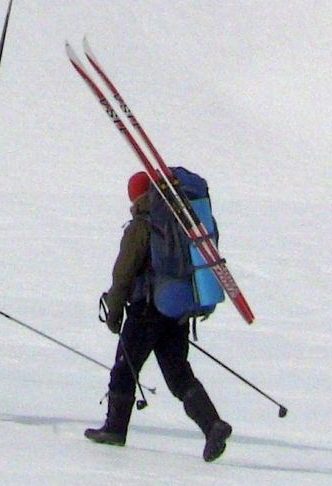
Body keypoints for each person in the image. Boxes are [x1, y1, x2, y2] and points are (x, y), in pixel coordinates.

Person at [86, 171, 231, 461]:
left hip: (146, 311)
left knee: (125, 369)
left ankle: (115, 429)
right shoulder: (180, 223)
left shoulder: (141, 226)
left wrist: (114, 313)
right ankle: (212, 424)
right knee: (178, 374)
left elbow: (123, 274)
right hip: (176, 310)